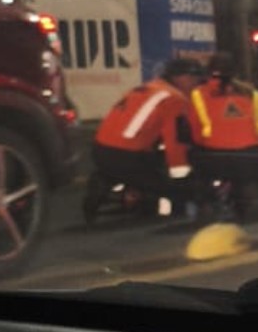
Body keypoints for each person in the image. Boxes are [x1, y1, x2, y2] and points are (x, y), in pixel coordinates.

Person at [83, 57, 206, 224]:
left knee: (148, 161)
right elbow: (175, 142)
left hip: (100, 149)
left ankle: (106, 181)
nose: (196, 86)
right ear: (182, 77)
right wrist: (182, 180)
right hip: (128, 156)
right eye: (195, 80)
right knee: (169, 189)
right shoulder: (175, 99)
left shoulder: (146, 88)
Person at [189, 52, 258, 225]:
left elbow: (194, 130)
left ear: (209, 71)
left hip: (214, 156)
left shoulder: (199, 94)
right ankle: (252, 201)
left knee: (194, 160)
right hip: (252, 156)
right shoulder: (253, 94)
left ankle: (207, 203)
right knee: (253, 174)